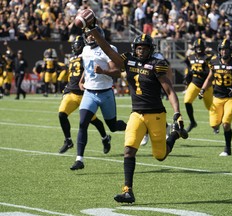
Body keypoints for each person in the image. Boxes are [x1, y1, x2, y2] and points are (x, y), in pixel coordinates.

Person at [87, 23, 188, 203]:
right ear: (135, 49)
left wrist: (177, 113)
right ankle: (128, 191)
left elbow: (170, 91)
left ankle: (173, 135)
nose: (141, 51)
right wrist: (93, 30)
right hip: (136, 114)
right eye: (139, 48)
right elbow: (108, 50)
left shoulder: (157, 65)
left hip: (156, 114)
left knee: (160, 156)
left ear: (150, 50)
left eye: (144, 48)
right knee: (128, 150)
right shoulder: (128, 61)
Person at [70, 26, 126, 171]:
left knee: (113, 127)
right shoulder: (85, 49)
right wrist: (82, 80)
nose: (90, 37)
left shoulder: (109, 48)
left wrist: (103, 71)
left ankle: (137, 128)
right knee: (83, 123)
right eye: (88, 35)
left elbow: (118, 72)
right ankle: (79, 159)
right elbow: (87, 67)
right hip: (89, 93)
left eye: (93, 35)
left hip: (105, 93)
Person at [58, 35, 111, 155]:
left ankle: (105, 137)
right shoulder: (73, 58)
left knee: (93, 121)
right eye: (75, 45)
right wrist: (66, 88)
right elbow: (72, 76)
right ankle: (68, 140)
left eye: (77, 45)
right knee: (62, 114)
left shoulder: (87, 55)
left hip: (84, 94)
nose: (76, 47)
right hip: (71, 92)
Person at [198, 39, 232, 156]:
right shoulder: (213, 62)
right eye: (222, 49)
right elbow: (210, 78)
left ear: (231, 51)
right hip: (217, 96)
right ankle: (224, 115)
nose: (224, 52)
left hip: (231, 97)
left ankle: (227, 149)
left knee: (226, 124)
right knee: (214, 124)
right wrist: (203, 90)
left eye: (226, 49)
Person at [184, 38, 213, 132]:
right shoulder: (191, 57)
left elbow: (209, 73)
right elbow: (189, 70)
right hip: (195, 83)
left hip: (206, 85)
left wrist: (196, 72)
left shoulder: (207, 58)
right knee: (187, 101)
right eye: (197, 47)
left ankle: (216, 124)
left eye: (200, 47)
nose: (199, 49)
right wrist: (187, 79)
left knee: (211, 107)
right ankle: (192, 122)